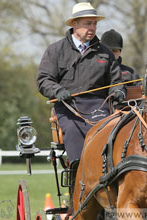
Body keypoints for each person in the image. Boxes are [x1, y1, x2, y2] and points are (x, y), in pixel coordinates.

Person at [36, 2, 126, 165]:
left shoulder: (105, 53)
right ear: (74, 24)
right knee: (73, 129)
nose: (92, 28)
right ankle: (77, 170)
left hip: (99, 106)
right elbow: (44, 80)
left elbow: (116, 81)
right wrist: (57, 91)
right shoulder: (55, 50)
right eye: (87, 23)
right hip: (67, 106)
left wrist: (119, 91)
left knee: (107, 128)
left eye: (94, 24)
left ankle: (106, 168)